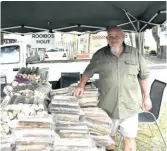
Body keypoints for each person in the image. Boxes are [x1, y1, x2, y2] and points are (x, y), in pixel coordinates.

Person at [74, 26, 152, 151]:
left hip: (130, 105)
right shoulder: (100, 55)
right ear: (106, 38)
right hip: (107, 106)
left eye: (117, 36)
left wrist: (146, 97)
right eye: (110, 36)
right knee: (109, 137)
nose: (113, 39)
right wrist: (81, 85)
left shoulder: (135, 53)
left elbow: (143, 76)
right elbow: (88, 72)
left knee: (129, 137)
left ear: (124, 36)